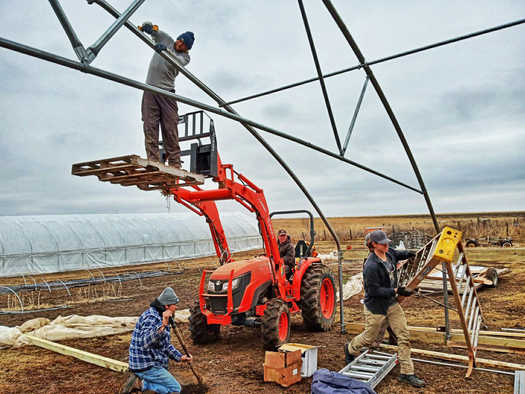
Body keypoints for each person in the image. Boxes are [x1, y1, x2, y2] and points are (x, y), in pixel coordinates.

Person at [344, 230, 426, 388]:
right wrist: (397, 291)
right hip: (375, 305)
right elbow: (373, 291)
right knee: (369, 337)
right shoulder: (371, 266)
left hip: (391, 304)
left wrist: (409, 253)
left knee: (403, 335)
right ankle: (350, 348)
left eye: (387, 242)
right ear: (374, 245)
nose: (387, 245)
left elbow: (398, 254)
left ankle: (407, 373)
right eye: (383, 243)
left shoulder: (389, 253)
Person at [139, 22, 195, 168]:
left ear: (186, 48)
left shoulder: (185, 58)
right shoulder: (167, 40)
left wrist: (166, 51)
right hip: (150, 90)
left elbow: (177, 62)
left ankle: (175, 164)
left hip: (167, 93)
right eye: (179, 40)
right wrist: (149, 28)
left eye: (183, 44)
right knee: (150, 126)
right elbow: (156, 33)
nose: (179, 43)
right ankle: (153, 160)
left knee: (170, 128)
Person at [123, 287, 192, 393]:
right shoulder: (152, 318)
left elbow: (165, 345)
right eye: (174, 305)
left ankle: (145, 385)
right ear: (166, 306)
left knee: (165, 388)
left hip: (151, 363)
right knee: (175, 389)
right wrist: (163, 325)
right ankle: (145, 386)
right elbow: (144, 343)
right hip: (145, 365)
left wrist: (180, 357)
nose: (176, 307)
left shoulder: (162, 316)